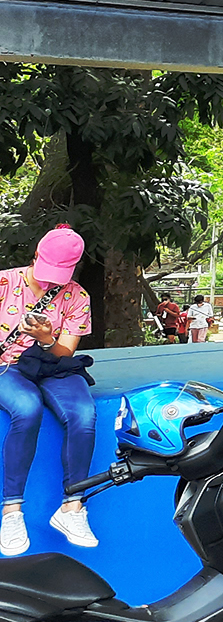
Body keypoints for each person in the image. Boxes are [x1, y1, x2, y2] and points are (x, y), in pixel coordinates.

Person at [0, 227, 99, 555]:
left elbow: (64, 353)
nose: (50, 282)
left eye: (58, 276)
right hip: (8, 366)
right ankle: (12, 511)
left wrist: (45, 338)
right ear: (35, 256)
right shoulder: (5, 284)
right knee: (27, 410)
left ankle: (72, 507)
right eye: (45, 273)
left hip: (52, 366)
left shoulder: (77, 296)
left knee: (84, 414)